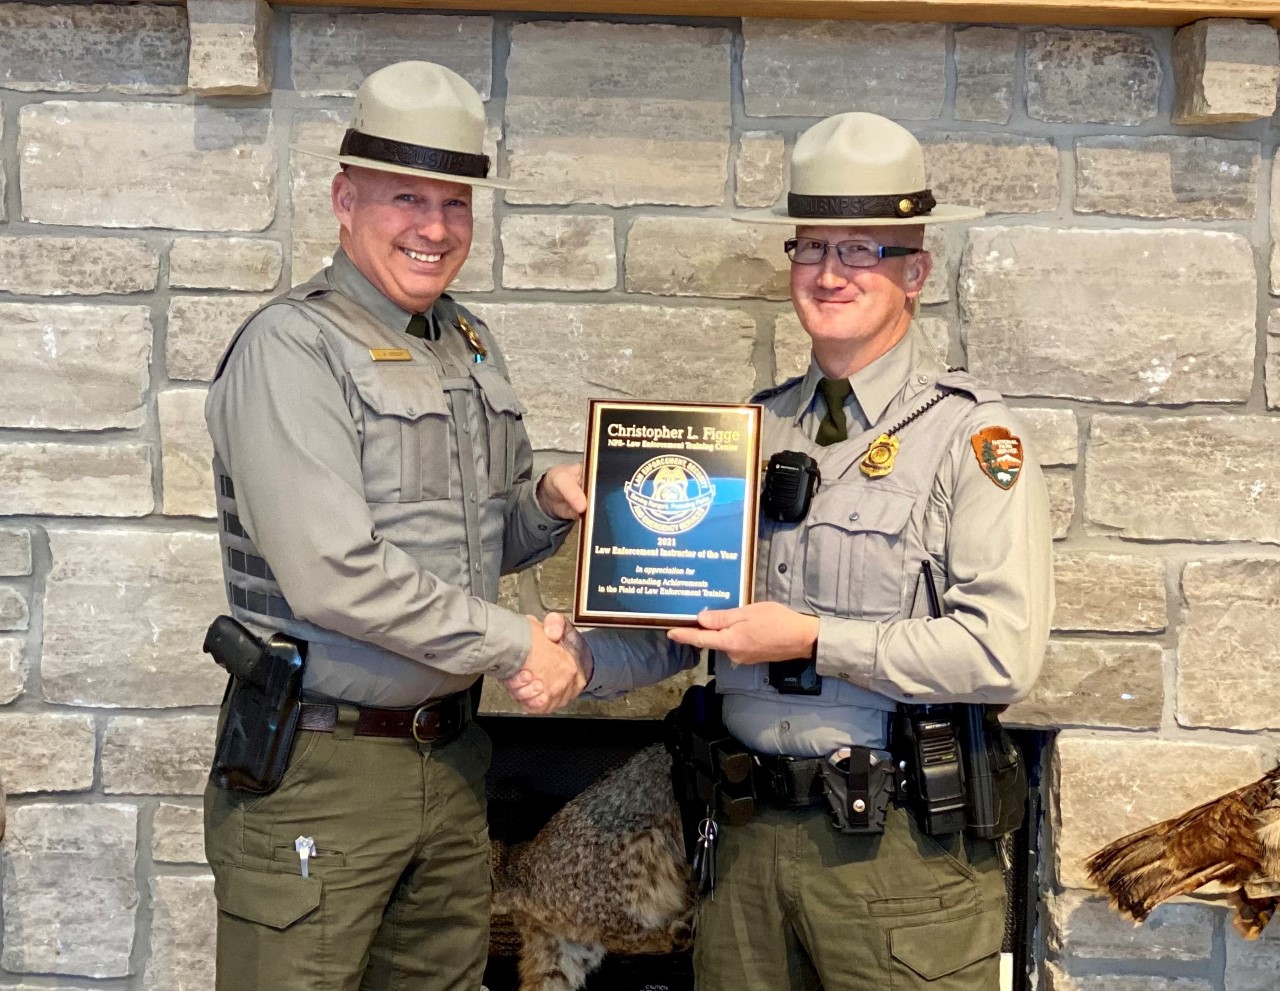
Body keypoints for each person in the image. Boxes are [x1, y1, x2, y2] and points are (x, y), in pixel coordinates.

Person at [522, 112, 1054, 990]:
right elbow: (687, 622)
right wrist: (580, 657)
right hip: (744, 844)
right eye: (813, 248)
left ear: (915, 272)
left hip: (896, 859)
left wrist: (812, 638)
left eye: (862, 249)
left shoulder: (971, 437)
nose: (832, 272)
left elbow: (1001, 651)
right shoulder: (747, 434)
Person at [203, 61, 587, 991]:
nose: (434, 227)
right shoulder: (293, 348)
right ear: (344, 199)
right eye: (405, 197)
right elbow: (333, 574)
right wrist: (514, 644)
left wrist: (549, 502)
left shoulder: (467, 343)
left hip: (450, 759)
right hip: (324, 768)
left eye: (454, 203)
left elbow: (471, 543)